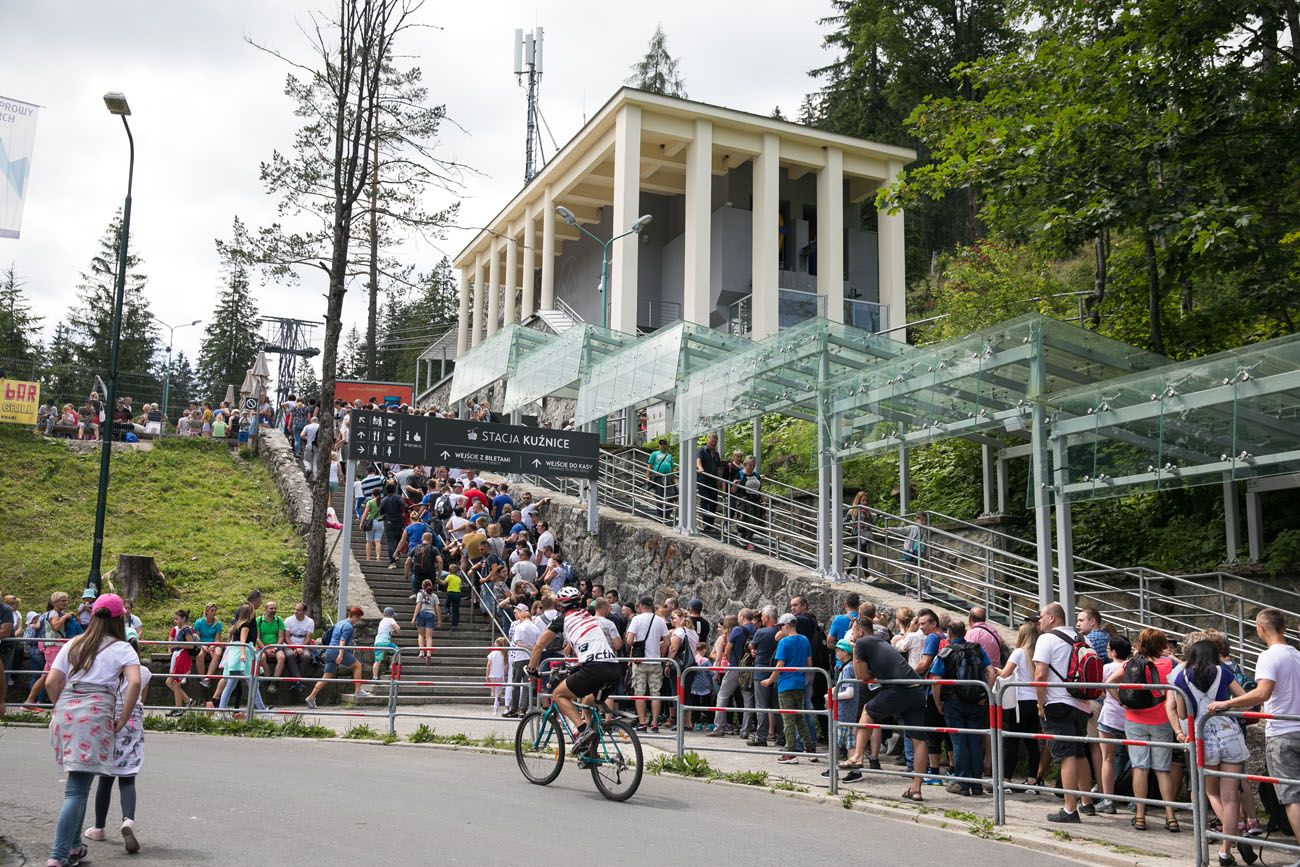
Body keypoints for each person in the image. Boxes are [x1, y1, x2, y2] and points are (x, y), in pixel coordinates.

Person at [43, 593, 142, 867]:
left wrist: (64, 707)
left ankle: (74, 847)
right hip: (96, 715)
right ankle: (59, 854)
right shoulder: (122, 648)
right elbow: (134, 683)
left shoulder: (74, 643)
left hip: (66, 713)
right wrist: (121, 719)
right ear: (119, 618)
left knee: (81, 783)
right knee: (76, 789)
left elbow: (53, 681)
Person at [1208, 608, 1300, 850]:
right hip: (1297, 726)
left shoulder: (1268, 656)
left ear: (1260, 629)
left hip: (1282, 731)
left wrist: (1227, 703)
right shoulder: (1297, 655)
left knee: (1292, 796)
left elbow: (1262, 693)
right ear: (1284, 628)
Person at [1169, 639, 1250, 866]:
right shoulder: (1223, 672)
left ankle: (1235, 837)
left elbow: (1183, 714)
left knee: (1212, 794)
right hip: (1230, 733)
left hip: (1203, 738)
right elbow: (1245, 702)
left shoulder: (1181, 677)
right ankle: (1225, 851)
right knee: (1231, 796)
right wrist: (1226, 705)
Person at [524, 586, 622, 756]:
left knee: (558, 695)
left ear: (560, 606)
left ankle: (583, 731)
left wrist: (532, 670)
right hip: (614, 667)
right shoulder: (588, 616)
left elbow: (539, 645)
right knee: (587, 702)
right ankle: (590, 750)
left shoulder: (562, 619)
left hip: (594, 667)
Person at [83, 626, 150, 856]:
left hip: (110, 720)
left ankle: (99, 827)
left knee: (105, 778)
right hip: (133, 722)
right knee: (128, 776)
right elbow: (141, 697)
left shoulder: (108, 669)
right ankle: (128, 820)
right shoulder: (144, 671)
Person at [1108, 627, 1178, 832]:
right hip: (1162, 721)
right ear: (1161, 646)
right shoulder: (1169, 664)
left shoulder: (1131, 663)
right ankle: (1171, 816)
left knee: (1140, 767)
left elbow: (1109, 683)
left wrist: (1122, 702)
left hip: (1134, 719)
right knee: (1162, 769)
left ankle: (1139, 816)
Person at [1033, 602, 1095, 823]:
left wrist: (1041, 705)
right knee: (1079, 753)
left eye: (1041, 617)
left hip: (1058, 703)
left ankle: (1069, 809)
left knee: (1066, 755)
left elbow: (1040, 676)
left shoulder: (1046, 639)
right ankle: (1087, 802)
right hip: (1082, 703)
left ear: (1052, 618)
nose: (1038, 621)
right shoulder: (1083, 639)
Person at [928, 620, 993, 796]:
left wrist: (938, 702)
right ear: (964, 632)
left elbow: (936, 680)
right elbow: (991, 672)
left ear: (949, 634)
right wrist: (985, 695)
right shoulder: (977, 649)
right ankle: (977, 784)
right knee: (974, 742)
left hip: (953, 703)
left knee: (959, 743)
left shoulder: (946, 652)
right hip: (976, 702)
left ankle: (962, 784)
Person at [998, 621, 1050, 793]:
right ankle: (1032, 780)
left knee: (1012, 740)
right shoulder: (1038, 653)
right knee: (1032, 742)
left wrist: (995, 670)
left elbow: (1006, 673)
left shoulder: (1019, 652)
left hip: (1019, 703)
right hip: (1035, 702)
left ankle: (1006, 780)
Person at [762, 613, 816, 765]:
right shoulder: (804, 640)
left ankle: (790, 752)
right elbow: (809, 662)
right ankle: (810, 748)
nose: (780, 629)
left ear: (786, 625)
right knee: (799, 717)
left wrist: (770, 680)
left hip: (785, 684)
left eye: (780, 626)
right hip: (800, 682)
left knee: (788, 719)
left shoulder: (784, 642)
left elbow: (780, 665)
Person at [306, 607, 371, 708]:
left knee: (326, 677)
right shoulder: (348, 626)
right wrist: (340, 654)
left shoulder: (340, 623)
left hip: (329, 651)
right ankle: (358, 691)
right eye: (358, 618)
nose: (358, 621)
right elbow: (342, 641)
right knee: (358, 666)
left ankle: (311, 697)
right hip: (338, 651)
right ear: (354, 616)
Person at [625, 596, 668, 732]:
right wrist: (658, 649)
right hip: (656, 661)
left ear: (641, 606)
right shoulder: (660, 620)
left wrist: (636, 646)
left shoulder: (636, 619)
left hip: (640, 661)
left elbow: (630, 640)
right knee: (656, 693)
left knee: (640, 693)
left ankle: (642, 723)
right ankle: (655, 723)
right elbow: (667, 641)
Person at [711, 608, 755, 737]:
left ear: (742, 617)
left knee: (723, 696)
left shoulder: (737, 630)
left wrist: (732, 661)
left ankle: (719, 727)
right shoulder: (755, 629)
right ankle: (745, 730)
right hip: (749, 669)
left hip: (735, 668)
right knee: (747, 700)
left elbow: (728, 649)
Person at [504, 603, 540, 718]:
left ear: (522, 614)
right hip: (531, 658)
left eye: (517, 612)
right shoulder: (535, 627)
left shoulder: (519, 627)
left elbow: (518, 643)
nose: (516, 615)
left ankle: (514, 709)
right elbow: (537, 644)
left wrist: (529, 647)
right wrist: (533, 648)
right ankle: (523, 710)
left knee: (516, 684)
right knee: (527, 685)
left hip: (520, 658)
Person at [163, 609, 197, 715]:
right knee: (169, 682)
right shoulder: (181, 629)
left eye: (177, 619)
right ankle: (187, 700)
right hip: (179, 656)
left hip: (183, 657)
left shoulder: (186, 630)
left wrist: (177, 644)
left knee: (177, 684)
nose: (175, 621)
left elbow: (191, 645)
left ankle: (179, 708)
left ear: (184, 619)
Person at [255, 600, 287, 695]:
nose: (273, 610)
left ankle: (274, 681)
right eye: (271, 608)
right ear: (265, 609)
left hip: (276, 646)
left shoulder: (279, 620)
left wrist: (275, 648)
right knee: (262, 657)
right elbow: (257, 638)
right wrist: (265, 649)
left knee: (282, 657)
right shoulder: (258, 620)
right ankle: (267, 676)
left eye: (275, 608)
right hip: (262, 646)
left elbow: (281, 637)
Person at [282, 603, 315, 690]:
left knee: (306, 656)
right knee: (290, 655)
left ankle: (295, 681)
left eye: (299, 610)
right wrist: (295, 647)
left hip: (303, 643)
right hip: (290, 643)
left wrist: (300, 647)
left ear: (304, 611)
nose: (296, 612)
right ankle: (299, 681)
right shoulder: (289, 620)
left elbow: (308, 638)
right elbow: (286, 637)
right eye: (295, 609)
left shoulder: (310, 621)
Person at [193, 603, 224, 688]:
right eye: (212, 610)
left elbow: (217, 639)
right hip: (201, 643)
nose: (214, 612)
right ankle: (203, 678)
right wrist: (203, 646)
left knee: (217, 654)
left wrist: (213, 646)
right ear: (207, 611)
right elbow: (197, 638)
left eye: (215, 611)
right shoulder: (199, 622)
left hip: (213, 644)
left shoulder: (218, 624)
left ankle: (208, 677)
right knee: (199, 656)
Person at [695, 432, 722, 532]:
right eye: (711, 441)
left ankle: (710, 523)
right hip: (703, 480)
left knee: (714, 502)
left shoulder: (716, 453)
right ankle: (706, 524)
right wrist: (700, 468)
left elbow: (718, 468)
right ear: (708, 439)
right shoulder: (702, 450)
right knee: (705, 500)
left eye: (715, 442)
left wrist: (719, 480)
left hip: (713, 481)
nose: (713, 444)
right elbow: (698, 460)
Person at [645, 437, 675, 522]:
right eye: (661, 444)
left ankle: (667, 513)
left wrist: (673, 479)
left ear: (666, 445)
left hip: (668, 477)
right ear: (659, 445)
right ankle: (660, 515)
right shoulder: (654, 454)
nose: (662, 445)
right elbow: (649, 466)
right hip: (658, 477)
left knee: (672, 495)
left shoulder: (669, 456)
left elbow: (671, 467)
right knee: (660, 496)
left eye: (664, 444)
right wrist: (647, 476)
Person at [412, 579, 441, 659]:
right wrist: (439, 619)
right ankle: (428, 653)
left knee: (421, 634)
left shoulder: (420, 594)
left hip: (421, 614)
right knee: (429, 636)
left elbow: (418, 605)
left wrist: (414, 617)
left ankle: (421, 652)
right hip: (431, 615)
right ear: (431, 586)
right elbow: (437, 607)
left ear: (422, 586)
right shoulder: (434, 596)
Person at [372, 607, 400, 682]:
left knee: (377, 660)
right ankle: (391, 665)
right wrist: (395, 630)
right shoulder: (390, 619)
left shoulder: (382, 621)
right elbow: (398, 628)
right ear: (392, 615)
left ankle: (374, 677)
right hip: (385, 642)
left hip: (377, 641)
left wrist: (391, 630)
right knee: (397, 651)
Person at [486, 637, 509, 714]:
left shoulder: (492, 653)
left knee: (494, 692)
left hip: (492, 675)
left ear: (497, 644)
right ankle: (495, 708)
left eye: (495, 643)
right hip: (500, 676)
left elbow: (488, 665)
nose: (494, 644)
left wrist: (487, 675)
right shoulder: (504, 654)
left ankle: (495, 707)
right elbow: (506, 666)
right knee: (498, 694)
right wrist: (504, 674)